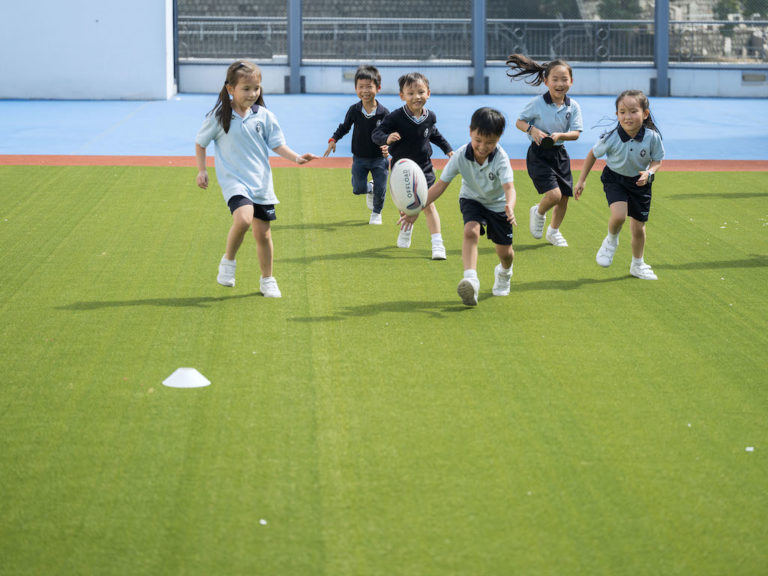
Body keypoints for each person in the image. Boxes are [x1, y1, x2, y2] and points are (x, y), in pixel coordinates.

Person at [195, 60, 318, 296]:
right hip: (234, 181)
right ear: (230, 88)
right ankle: (228, 263)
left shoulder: (264, 116)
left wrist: (296, 158)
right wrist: (202, 170)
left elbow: (277, 144)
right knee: (243, 219)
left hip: (261, 183)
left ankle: (267, 280)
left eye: (256, 88)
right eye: (246, 88)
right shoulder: (219, 117)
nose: (252, 94)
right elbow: (200, 143)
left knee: (263, 234)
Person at [399, 108, 517, 306]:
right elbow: (439, 186)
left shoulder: (501, 159)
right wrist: (416, 210)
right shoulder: (460, 156)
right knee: (471, 231)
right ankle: (471, 280)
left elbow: (509, 188)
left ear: (498, 138)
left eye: (490, 142)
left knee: (505, 253)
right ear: (470, 131)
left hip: (498, 204)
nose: (482, 147)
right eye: (478, 140)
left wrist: (510, 206)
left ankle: (504, 273)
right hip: (472, 199)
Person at [574, 89, 664, 280]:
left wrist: (650, 172)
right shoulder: (611, 137)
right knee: (619, 216)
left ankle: (637, 265)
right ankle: (611, 240)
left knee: (639, 228)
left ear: (645, 113)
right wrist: (582, 180)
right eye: (622, 112)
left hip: (640, 183)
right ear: (617, 115)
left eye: (633, 111)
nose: (627, 116)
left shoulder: (652, 137)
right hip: (615, 179)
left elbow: (657, 161)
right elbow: (592, 154)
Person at [372, 72, 453, 260]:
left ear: (428, 93)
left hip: (425, 167)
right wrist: (386, 138)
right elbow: (376, 133)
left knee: (428, 205)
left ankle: (437, 244)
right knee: (407, 207)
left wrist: (447, 149)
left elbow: (434, 134)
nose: (416, 97)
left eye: (421, 92)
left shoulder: (430, 116)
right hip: (402, 170)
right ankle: (406, 230)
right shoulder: (395, 118)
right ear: (402, 96)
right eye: (410, 93)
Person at [507, 54, 583, 247]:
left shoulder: (573, 106)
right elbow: (519, 122)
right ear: (546, 81)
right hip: (539, 154)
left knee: (564, 196)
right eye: (555, 79)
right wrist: (532, 130)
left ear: (571, 82)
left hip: (559, 153)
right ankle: (539, 212)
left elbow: (576, 133)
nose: (560, 83)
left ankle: (554, 232)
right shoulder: (537, 103)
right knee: (554, 195)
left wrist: (559, 136)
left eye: (564, 79)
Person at [323, 65, 390, 225]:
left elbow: (391, 135)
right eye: (361, 87)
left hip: (379, 159)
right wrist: (333, 140)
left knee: (381, 189)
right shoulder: (354, 110)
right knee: (358, 188)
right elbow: (345, 126)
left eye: (369, 87)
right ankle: (369, 188)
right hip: (359, 158)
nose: (365, 91)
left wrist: (388, 146)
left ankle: (376, 213)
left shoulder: (384, 113)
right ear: (355, 89)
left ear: (378, 88)